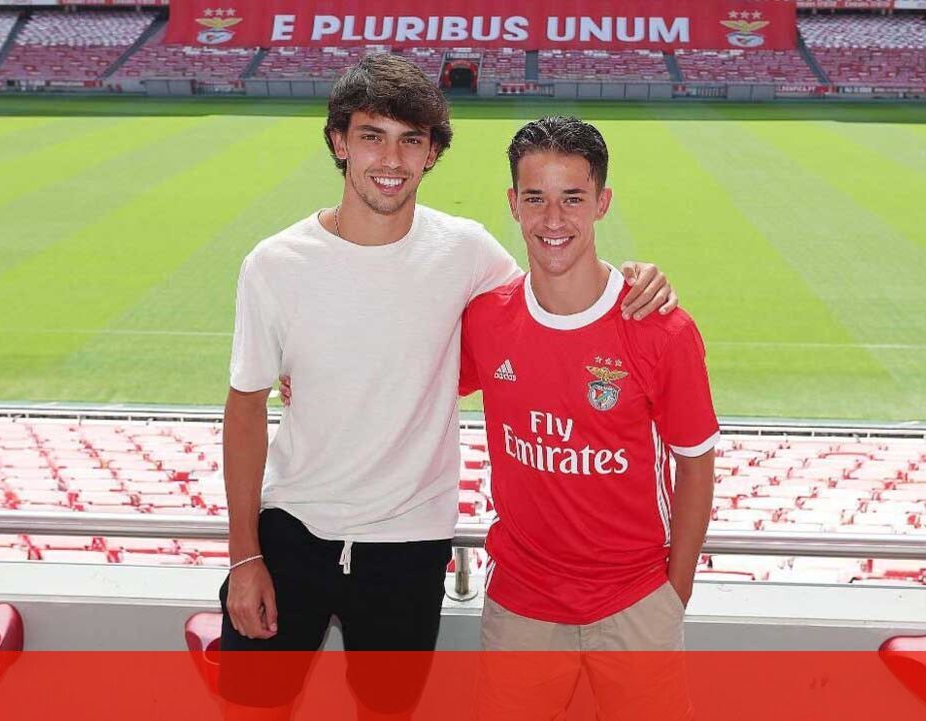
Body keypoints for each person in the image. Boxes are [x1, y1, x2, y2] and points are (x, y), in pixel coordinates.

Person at [219, 55, 679, 719]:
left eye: (411, 140)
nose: (391, 159)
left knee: (386, 711)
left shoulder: (465, 250)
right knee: (251, 708)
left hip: (409, 545)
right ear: (339, 141)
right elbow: (244, 409)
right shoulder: (275, 264)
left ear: (431, 153)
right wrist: (244, 557)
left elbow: (555, 291)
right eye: (372, 136)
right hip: (291, 530)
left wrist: (635, 278)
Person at [459, 116, 718, 720]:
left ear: (602, 203)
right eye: (536, 198)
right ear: (512, 204)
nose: (553, 219)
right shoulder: (486, 320)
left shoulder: (661, 330)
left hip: (635, 603)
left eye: (572, 198)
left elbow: (696, 465)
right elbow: (408, 382)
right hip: (520, 605)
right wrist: (310, 378)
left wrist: (672, 594)